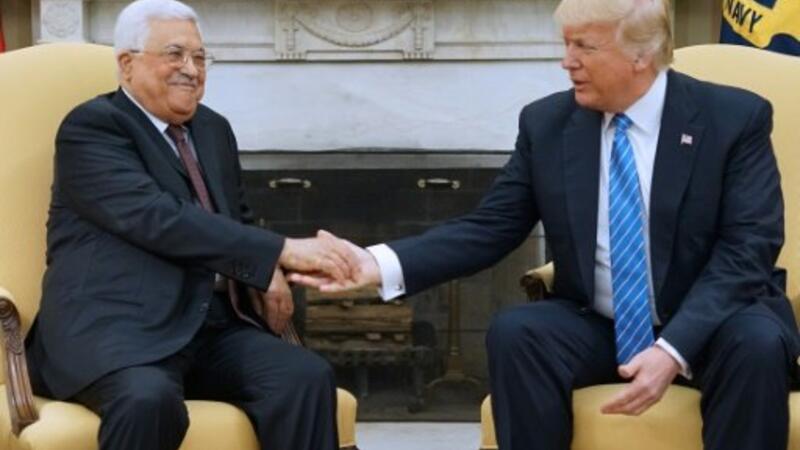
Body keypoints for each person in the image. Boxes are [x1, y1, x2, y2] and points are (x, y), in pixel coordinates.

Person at [292, 0, 800, 448]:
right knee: (518, 332)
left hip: (715, 321)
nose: (567, 61)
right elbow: (490, 227)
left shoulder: (733, 118)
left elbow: (747, 248)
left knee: (757, 344)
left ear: (641, 54)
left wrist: (672, 348)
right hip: (600, 323)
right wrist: (375, 264)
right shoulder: (548, 124)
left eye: (585, 47)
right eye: (565, 44)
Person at [24, 1, 358, 449]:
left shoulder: (213, 129)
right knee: (149, 400)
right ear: (128, 64)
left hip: (208, 326)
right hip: (117, 329)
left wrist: (265, 273)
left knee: (304, 376)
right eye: (175, 54)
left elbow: (236, 219)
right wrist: (279, 251)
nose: (191, 68)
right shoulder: (94, 127)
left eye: (200, 57)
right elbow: (159, 218)